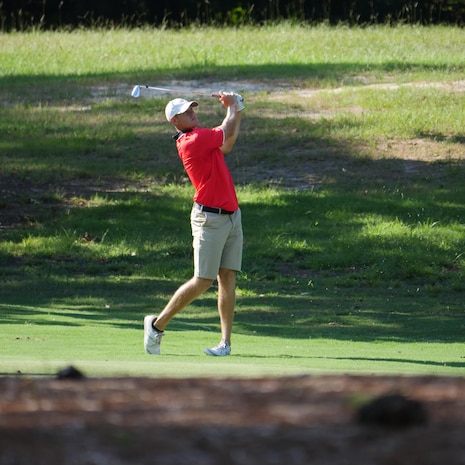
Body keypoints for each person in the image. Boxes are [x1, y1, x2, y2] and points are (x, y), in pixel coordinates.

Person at [144, 91, 244, 356]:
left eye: (193, 110)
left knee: (228, 277)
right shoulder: (192, 140)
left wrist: (237, 109)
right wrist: (233, 106)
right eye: (187, 112)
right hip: (209, 219)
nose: (193, 113)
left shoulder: (202, 137)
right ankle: (156, 325)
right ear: (175, 121)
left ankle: (225, 343)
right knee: (203, 280)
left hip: (232, 216)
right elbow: (226, 129)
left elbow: (228, 143)